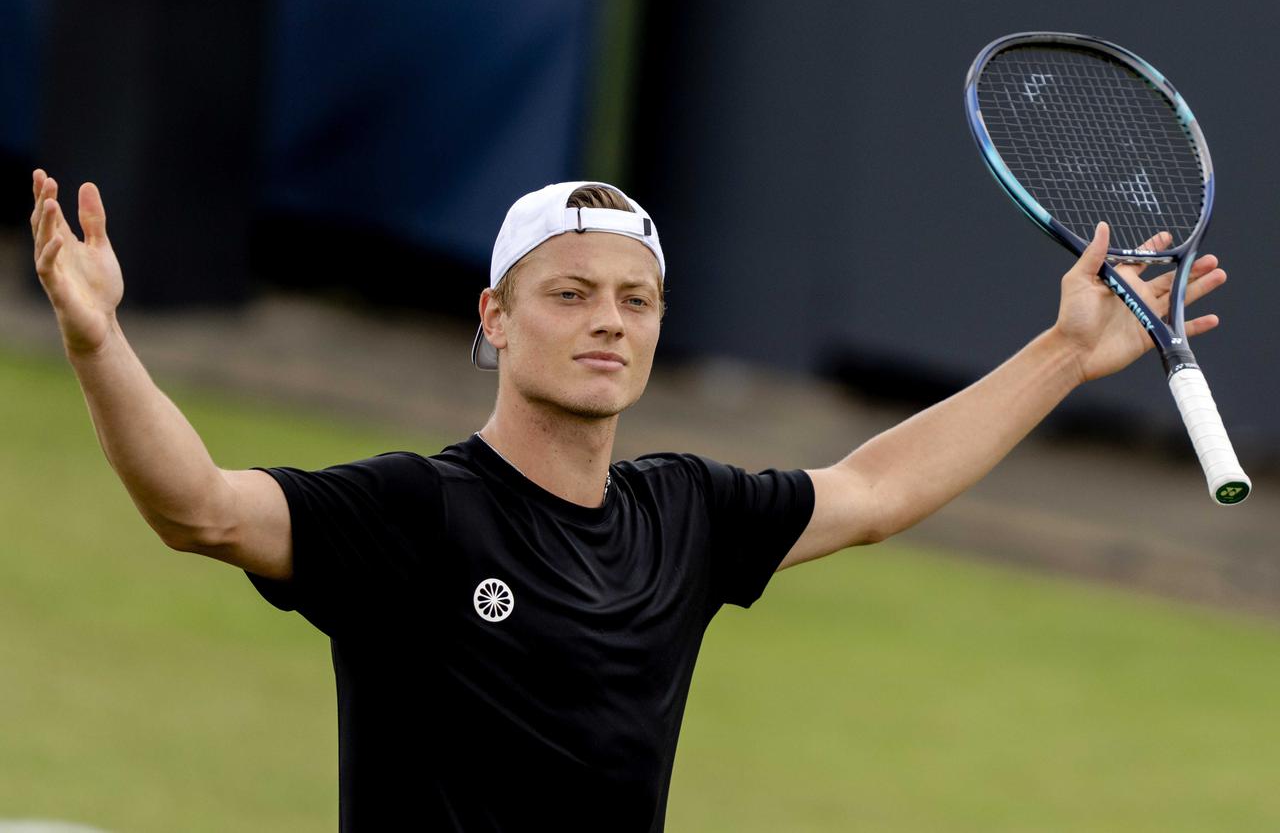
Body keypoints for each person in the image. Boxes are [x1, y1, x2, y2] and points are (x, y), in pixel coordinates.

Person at [29, 171, 1227, 831]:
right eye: (569, 292)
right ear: (494, 320)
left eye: (635, 298)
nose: (608, 316)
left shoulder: (686, 514)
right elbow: (199, 505)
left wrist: (1063, 353)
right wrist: (97, 341)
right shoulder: (418, 515)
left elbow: (872, 488)